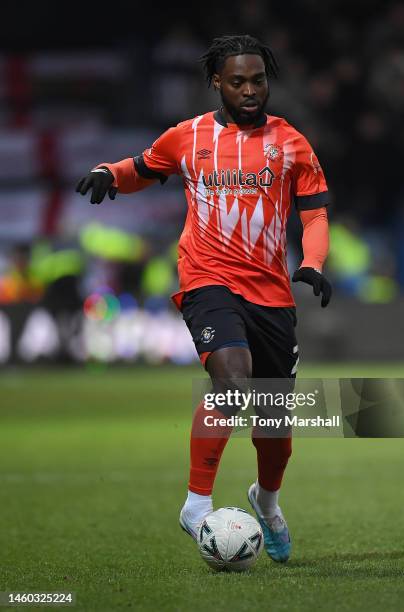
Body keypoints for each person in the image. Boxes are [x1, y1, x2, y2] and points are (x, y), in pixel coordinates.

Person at [76, 34, 331, 563]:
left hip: (272, 294)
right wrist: (110, 174)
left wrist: (312, 263)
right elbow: (143, 168)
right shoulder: (187, 136)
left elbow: (314, 214)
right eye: (238, 81)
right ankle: (196, 503)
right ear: (217, 81)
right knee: (232, 377)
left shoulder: (291, 143)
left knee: (273, 426)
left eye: (258, 80)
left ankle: (267, 499)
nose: (250, 90)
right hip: (208, 279)